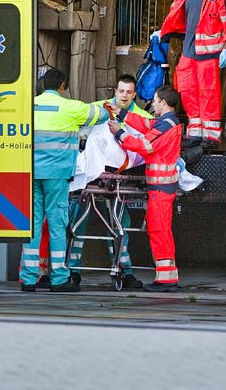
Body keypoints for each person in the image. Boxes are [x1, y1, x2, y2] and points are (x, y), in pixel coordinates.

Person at [20, 68, 108, 292]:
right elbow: (101, 115)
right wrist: (110, 104)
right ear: (62, 87)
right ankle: (59, 278)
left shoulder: (28, 106)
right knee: (58, 225)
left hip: (32, 173)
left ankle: (28, 279)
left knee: (33, 225)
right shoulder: (70, 107)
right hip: (57, 176)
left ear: (42, 86)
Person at [67, 74, 150, 289]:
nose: (124, 95)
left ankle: (125, 271)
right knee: (78, 221)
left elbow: (147, 140)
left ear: (134, 94)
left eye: (129, 92)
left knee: (121, 224)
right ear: (115, 91)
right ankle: (73, 271)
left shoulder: (141, 116)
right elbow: (77, 127)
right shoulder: (97, 108)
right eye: (121, 91)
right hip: (93, 170)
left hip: (118, 172)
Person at [156, 0, 226, 148]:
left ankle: (210, 136)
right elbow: (176, 10)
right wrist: (166, 30)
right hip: (188, 51)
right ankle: (195, 130)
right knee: (186, 89)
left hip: (209, 54)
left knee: (208, 92)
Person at [106, 85, 183, 292]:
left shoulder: (165, 125)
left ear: (164, 103)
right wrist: (121, 113)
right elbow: (146, 124)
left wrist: (119, 133)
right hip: (163, 187)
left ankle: (165, 280)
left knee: (158, 230)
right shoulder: (167, 123)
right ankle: (168, 276)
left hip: (161, 188)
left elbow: (144, 145)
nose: (153, 104)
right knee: (161, 230)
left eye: (155, 101)